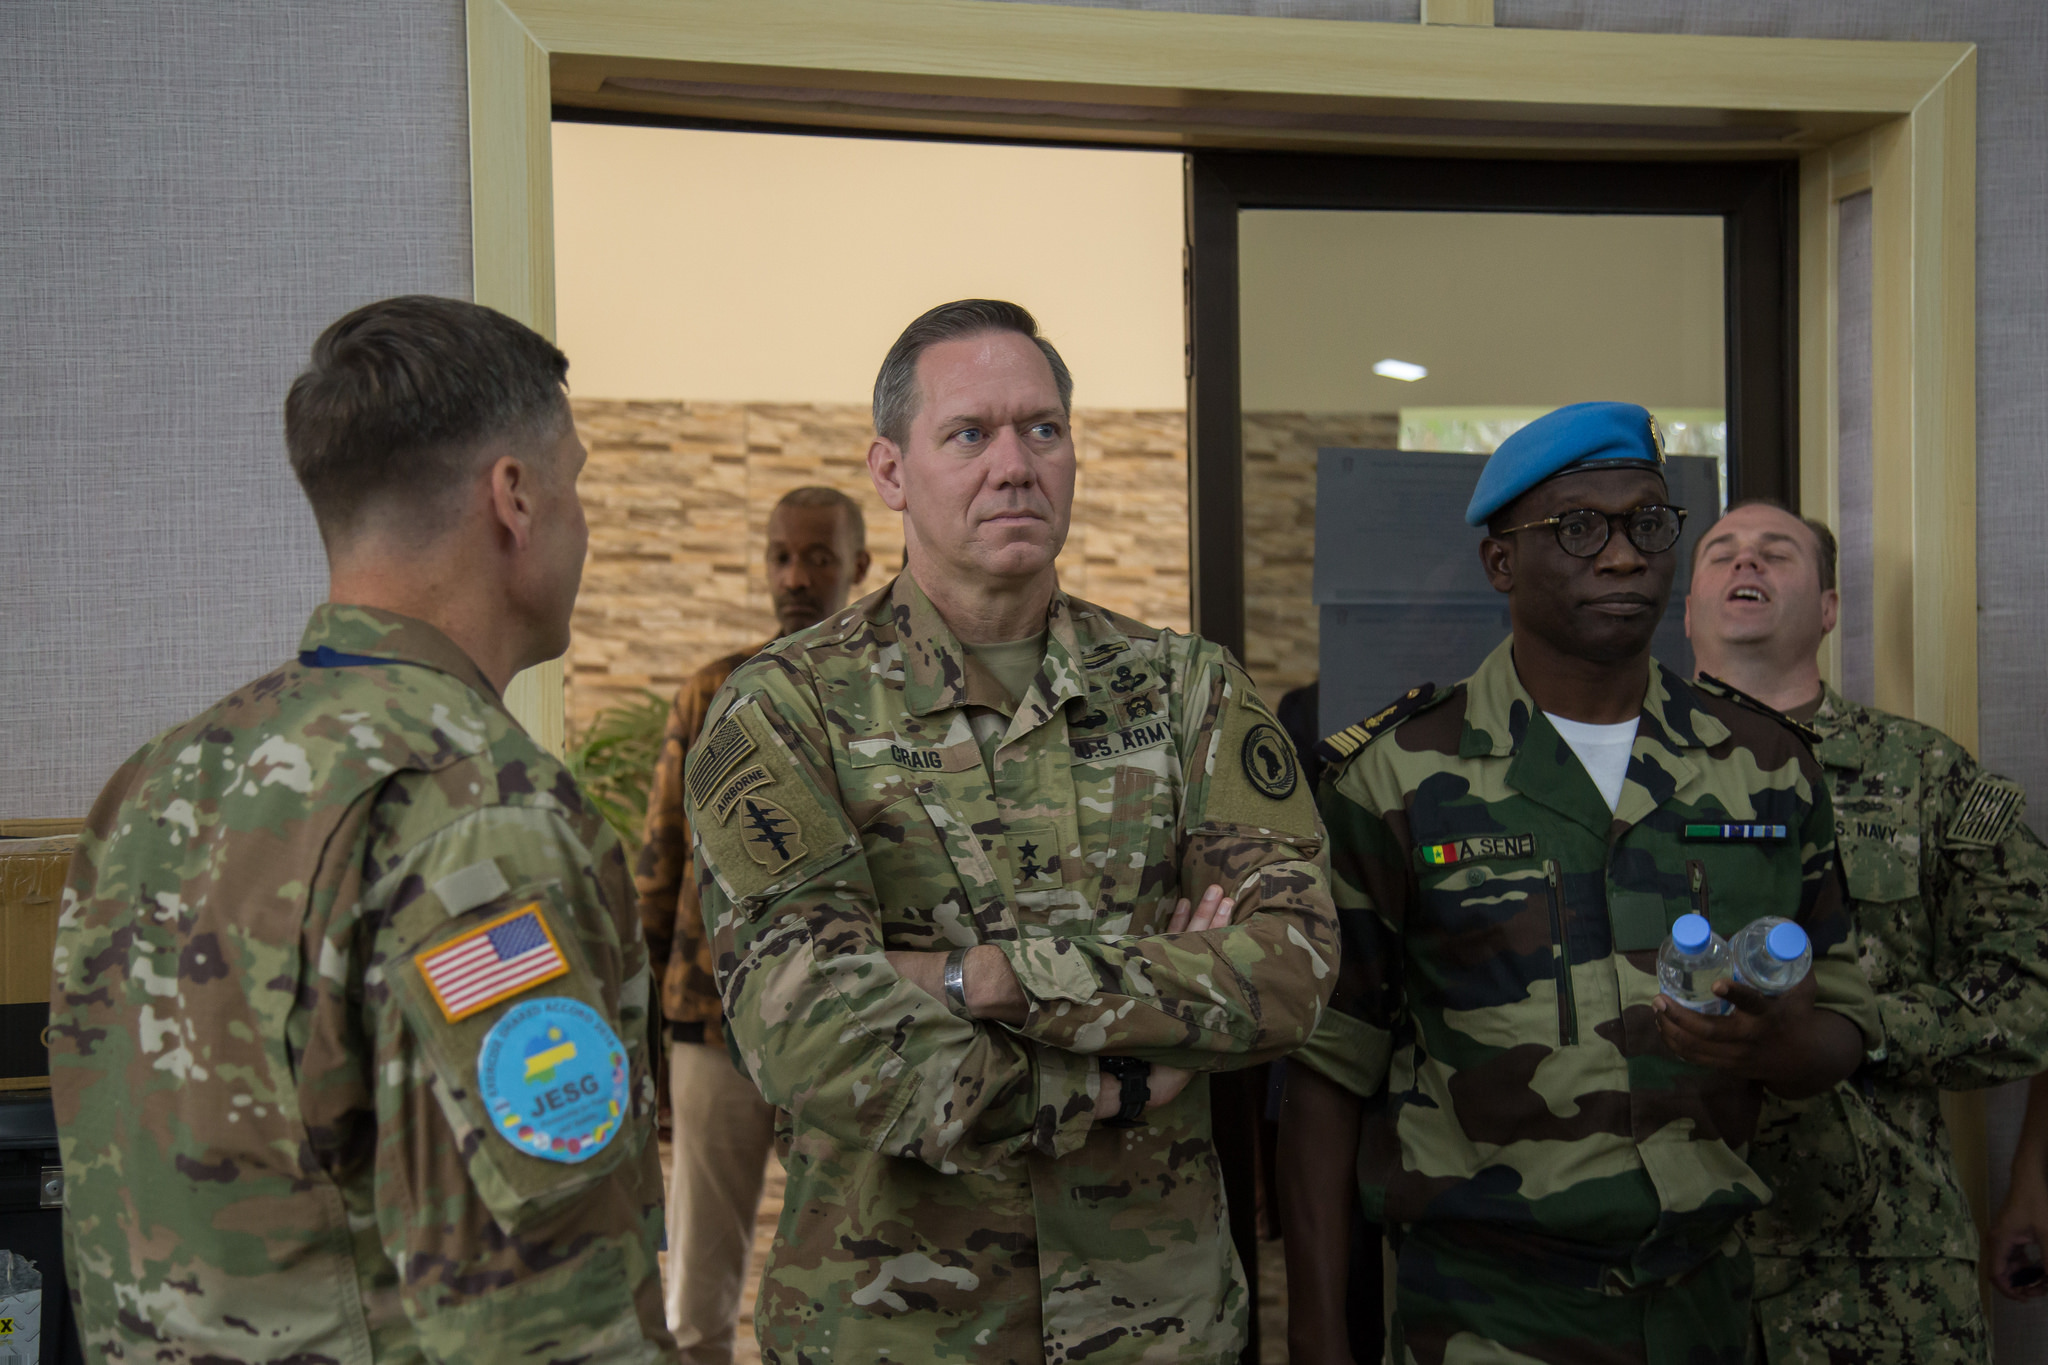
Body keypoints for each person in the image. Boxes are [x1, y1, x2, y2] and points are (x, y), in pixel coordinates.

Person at [684, 298, 1338, 1364]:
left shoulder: (1185, 692)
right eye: (969, 434)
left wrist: (973, 979)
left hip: (1156, 1325)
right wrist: (1115, 1070)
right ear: (890, 472)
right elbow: (802, 1019)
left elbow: (1291, 966)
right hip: (893, 1329)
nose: (1015, 465)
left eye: (1042, 428)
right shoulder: (786, 707)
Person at [48, 296, 676, 1362]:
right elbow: (539, 1306)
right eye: (577, 483)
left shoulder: (158, 782)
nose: (584, 521)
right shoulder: (473, 810)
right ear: (514, 499)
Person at [1278, 402, 1881, 1365]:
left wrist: (1781, 1040)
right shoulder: (1393, 777)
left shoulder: (1762, 765)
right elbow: (1326, 1076)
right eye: (1577, 528)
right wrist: (1316, 1337)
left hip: (1704, 1310)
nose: (1622, 556)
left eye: (1647, 522)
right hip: (1483, 1318)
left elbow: (1842, 1028)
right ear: (1501, 562)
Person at [1685, 499, 2048, 1361]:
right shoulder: (1613, 775)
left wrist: (1856, 1032)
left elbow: (2033, 983)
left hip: (1880, 1277)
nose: (1747, 564)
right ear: (1690, 605)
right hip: (1662, 1255)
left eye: (1777, 552)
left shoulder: (1927, 776)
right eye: (1721, 553)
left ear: (1829, 607)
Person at [636, 485, 871, 1362]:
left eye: (817, 556)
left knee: (855, 1280)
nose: (795, 576)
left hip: (849, 1027)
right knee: (697, 1296)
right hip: (710, 1024)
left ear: (861, 566)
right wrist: (641, 1043)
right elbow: (659, 868)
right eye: (781, 555)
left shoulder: (882, 704)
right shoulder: (712, 693)